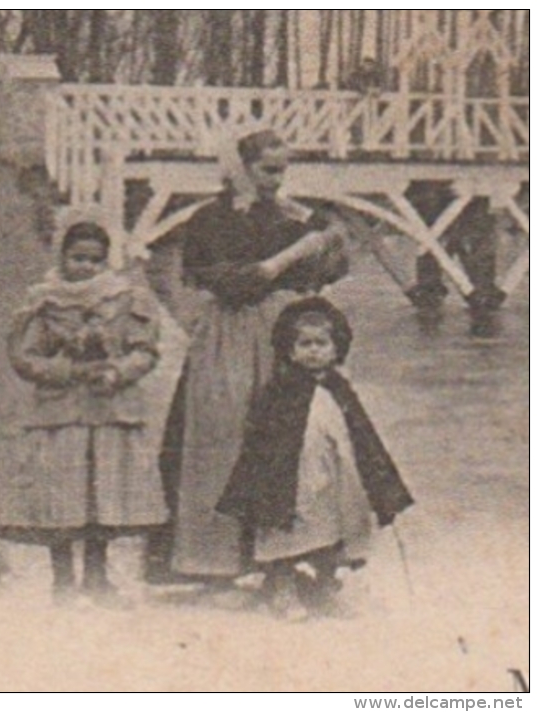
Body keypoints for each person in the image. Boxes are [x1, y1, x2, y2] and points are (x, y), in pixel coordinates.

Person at [146, 130, 350, 588]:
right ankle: (217, 563)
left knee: (295, 440)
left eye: (282, 171)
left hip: (284, 335)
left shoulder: (291, 214)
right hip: (231, 334)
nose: (277, 181)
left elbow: (334, 266)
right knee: (221, 437)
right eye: (268, 170)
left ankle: (293, 558)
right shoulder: (210, 219)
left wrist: (326, 240)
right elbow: (230, 283)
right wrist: (288, 257)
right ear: (240, 167)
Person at [217, 297, 414, 621]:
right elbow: (261, 442)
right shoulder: (280, 391)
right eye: (303, 344)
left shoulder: (340, 389)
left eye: (321, 343)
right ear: (290, 350)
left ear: (336, 348)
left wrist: (379, 484)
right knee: (286, 534)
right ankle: (282, 587)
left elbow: (362, 437)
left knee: (333, 531)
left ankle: (325, 587)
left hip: (332, 479)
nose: (313, 351)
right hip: (290, 481)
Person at [1, 222, 167, 607]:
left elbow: (144, 350)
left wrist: (118, 371)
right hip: (61, 415)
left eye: (95, 260)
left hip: (109, 411)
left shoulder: (124, 298)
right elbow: (24, 357)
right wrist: (67, 371)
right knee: (60, 497)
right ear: (62, 257)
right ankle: (62, 581)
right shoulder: (43, 302)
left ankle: (96, 577)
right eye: (78, 258)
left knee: (101, 495)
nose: (86, 267)